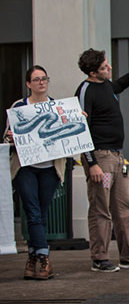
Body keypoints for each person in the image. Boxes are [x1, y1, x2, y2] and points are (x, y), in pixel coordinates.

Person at [75, 48, 129, 272]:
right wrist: (92, 164)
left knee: (124, 207)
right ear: (92, 72)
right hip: (101, 158)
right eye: (104, 67)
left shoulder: (107, 85)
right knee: (101, 208)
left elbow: (119, 85)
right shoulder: (85, 90)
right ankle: (100, 257)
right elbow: (82, 128)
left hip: (118, 157)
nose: (109, 68)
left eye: (108, 64)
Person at [3, 65, 66, 280]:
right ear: (28, 84)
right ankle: (44, 259)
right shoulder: (19, 107)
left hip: (49, 168)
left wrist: (77, 120)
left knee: (40, 213)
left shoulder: (57, 107)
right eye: (37, 79)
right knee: (32, 211)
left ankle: (32, 258)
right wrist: (11, 137)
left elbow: (66, 134)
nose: (41, 82)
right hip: (25, 168)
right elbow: (6, 137)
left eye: (44, 78)